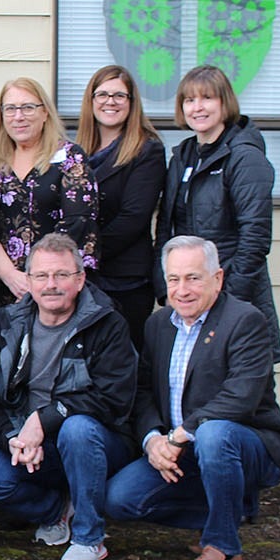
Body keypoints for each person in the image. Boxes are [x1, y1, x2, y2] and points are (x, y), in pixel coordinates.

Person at [106, 236, 280, 560]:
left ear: (218, 279)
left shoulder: (246, 321)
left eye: (193, 278)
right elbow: (144, 391)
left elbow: (241, 396)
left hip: (247, 443)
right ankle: (228, 509)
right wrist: (153, 441)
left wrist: (179, 435)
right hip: (183, 451)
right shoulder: (158, 325)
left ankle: (222, 546)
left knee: (212, 432)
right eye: (173, 279)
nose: (182, 290)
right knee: (120, 499)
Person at [0, 234, 136, 560]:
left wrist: (44, 420)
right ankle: (57, 510)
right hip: (33, 446)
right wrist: (11, 438)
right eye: (41, 276)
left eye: (61, 275)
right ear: (28, 281)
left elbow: (113, 398)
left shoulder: (105, 322)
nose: (51, 285)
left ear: (80, 279)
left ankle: (89, 538)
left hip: (98, 443)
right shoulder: (6, 324)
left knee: (77, 429)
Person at [155, 65, 280, 363]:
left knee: (242, 385)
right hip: (189, 294)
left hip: (232, 294)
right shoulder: (183, 156)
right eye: (189, 100)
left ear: (224, 103)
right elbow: (165, 228)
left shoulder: (244, 157)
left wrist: (227, 296)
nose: (197, 107)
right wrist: (167, 288)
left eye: (207, 98)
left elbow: (255, 237)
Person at [0, 77, 98, 315]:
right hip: (3, 289)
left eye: (28, 107)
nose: (19, 116)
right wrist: (10, 276)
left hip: (55, 288)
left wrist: (39, 279)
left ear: (45, 112)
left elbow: (77, 222)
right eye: (11, 109)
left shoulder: (69, 158)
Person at [74, 65, 166, 349]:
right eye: (101, 94)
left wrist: (83, 256)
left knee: (124, 363)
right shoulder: (78, 152)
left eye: (119, 96)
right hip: (85, 278)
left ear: (131, 103)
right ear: (91, 101)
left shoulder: (147, 150)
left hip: (126, 280)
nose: (109, 102)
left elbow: (133, 217)